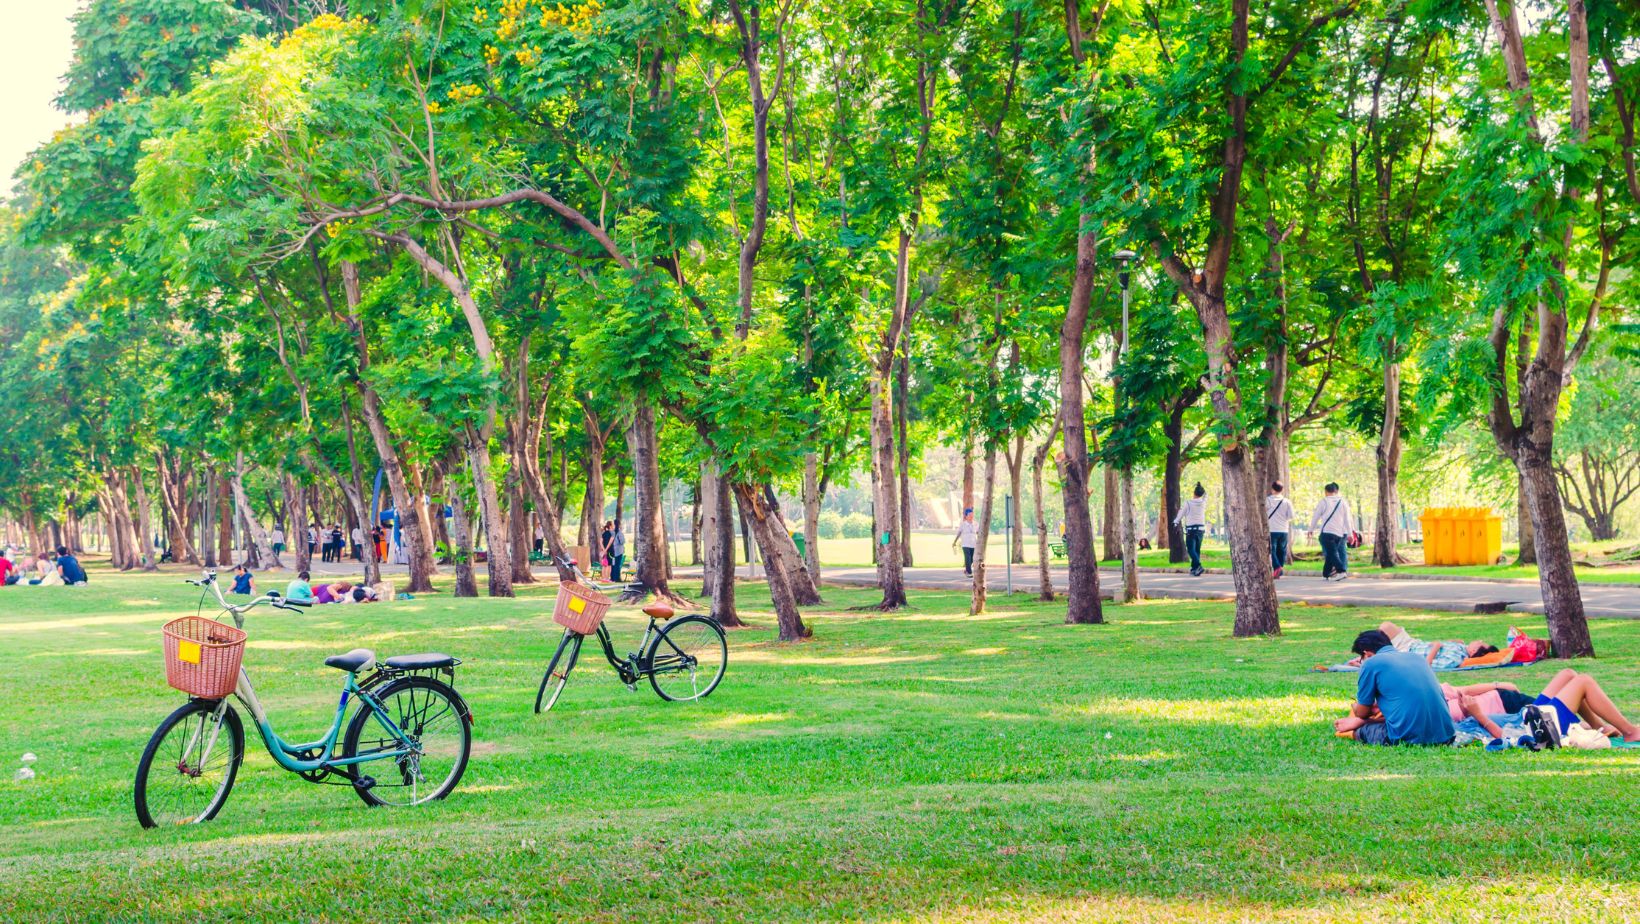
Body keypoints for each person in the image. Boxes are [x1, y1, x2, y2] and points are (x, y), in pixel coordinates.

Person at [1333, 629, 1455, 745]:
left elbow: (1362, 712)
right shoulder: (1418, 658)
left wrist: (1356, 709)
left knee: (1362, 731)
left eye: (1360, 659)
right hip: (1446, 736)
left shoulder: (1371, 663)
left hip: (1407, 737)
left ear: (1367, 654)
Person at [1375, 620, 1498, 671]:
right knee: (1387, 626)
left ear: (1474, 651)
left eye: (1480, 643)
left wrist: (1436, 647)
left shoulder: (1456, 658)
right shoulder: (1461, 646)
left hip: (1406, 652)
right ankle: (1371, 652)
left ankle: (1369, 654)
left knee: (1384, 630)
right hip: (1412, 643)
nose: (1479, 640)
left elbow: (1426, 665)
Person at [1309, 483, 1354, 580]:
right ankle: (1326, 574)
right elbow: (1347, 519)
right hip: (1339, 534)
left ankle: (1341, 571)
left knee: (1332, 553)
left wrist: (1311, 529)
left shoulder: (1324, 501)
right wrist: (1350, 534)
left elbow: (1315, 517)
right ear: (1336, 491)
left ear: (1326, 492)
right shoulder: (1343, 502)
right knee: (1331, 553)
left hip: (1326, 533)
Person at [1173, 483, 1209, 576]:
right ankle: (1194, 569)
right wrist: (1201, 487)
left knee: (1190, 550)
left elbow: (1181, 513)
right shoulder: (1203, 502)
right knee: (1197, 550)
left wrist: (1175, 522)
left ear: (1194, 492)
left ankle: (1199, 566)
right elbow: (1206, 495)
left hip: (1191, 530)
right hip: (1201, 530)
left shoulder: (1188, 503)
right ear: (1201, 494)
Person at [1265, 481, 1294, 578]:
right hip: (1284, 530)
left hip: (1272, 529)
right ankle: (1280, 569)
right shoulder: (1287, 501)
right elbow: (1291, 516)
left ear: (1272, 489)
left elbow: (1263, 513)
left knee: (1272, 550)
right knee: (1282, 550)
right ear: (1282, 490)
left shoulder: (1268, 500)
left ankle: (1277, 568)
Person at [954, 508, 979, 576]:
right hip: (965, 544)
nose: (971, 516)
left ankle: (967, 570)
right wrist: (955, 541)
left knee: (971, 559)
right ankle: (969, 572)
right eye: (970, 515)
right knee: (967, 557)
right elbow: (959, 533)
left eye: (972, 515)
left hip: (973, 544)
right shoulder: (963, 524)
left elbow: (978, 533)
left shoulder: (976, 524)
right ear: (966, 516)